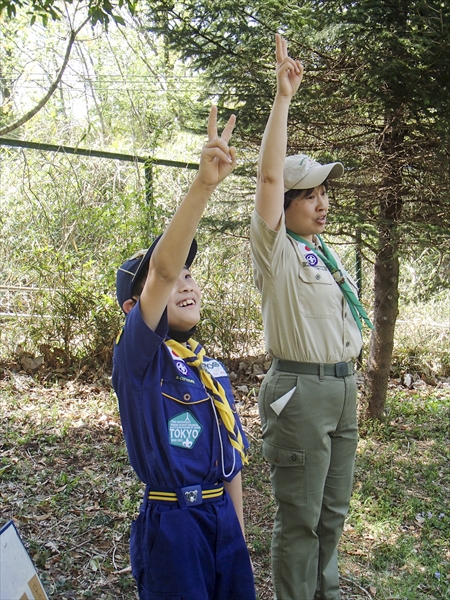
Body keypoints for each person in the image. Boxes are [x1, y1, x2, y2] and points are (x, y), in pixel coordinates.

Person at [112, 106, 255, 600]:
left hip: (221, 522)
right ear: (135, 307)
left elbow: (230, 460)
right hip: (173, 528)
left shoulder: (209, 369)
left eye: (192, 276)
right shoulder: (138, 361)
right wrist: (203, 189)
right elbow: (163, 273)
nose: (184, 283)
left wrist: (236, 534)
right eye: (175, 278)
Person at [250, 35, 372, 600]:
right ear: (287, 204)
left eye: (325, 192)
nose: (322, 203)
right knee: (299, 517)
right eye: (310, 195)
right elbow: (269, 179)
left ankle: (326, 593)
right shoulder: (275, 247)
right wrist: (283, 99)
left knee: (333, 512)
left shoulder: (321, 249)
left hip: (342, 388)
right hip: (299, 390)